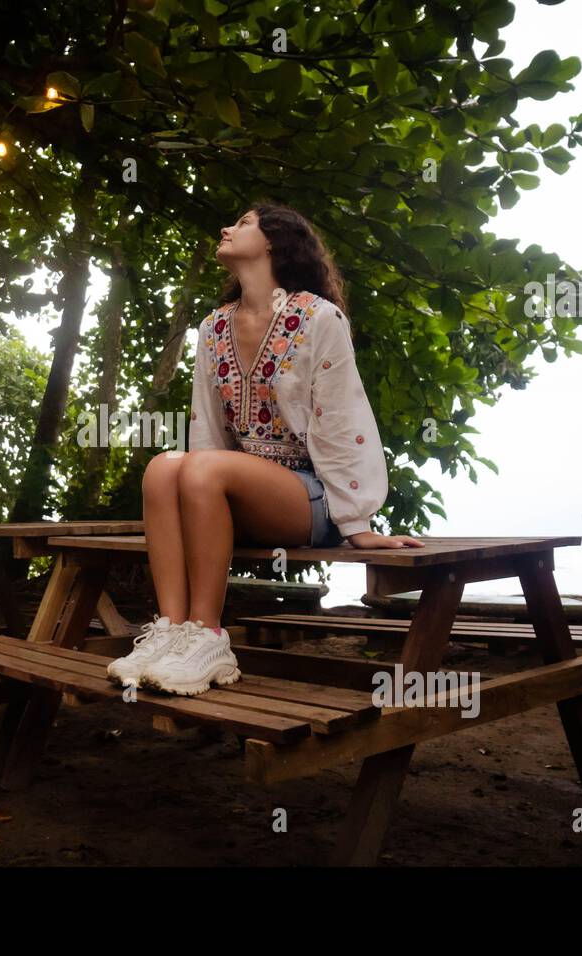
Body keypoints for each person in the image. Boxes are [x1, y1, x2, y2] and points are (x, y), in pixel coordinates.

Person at [108, 202, 423, 696]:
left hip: (309, 499)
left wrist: (357, 525)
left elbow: (342, 421)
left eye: (244, 223)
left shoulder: (319, 318)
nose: (226, 228)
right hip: (234, 490)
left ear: (275, 241)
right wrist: (192, 481)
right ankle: (170, 632)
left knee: (200, 468)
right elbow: (206, 429)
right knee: (162, 467)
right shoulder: (214, 327)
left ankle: (210, 637)